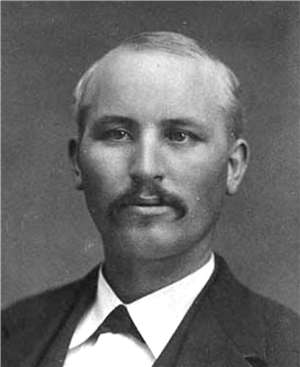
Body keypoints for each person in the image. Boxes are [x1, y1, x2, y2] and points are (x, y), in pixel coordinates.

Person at [1, 32, 299, 367]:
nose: (145, 168)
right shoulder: (12, 333)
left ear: (233, 167)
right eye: (117, 134)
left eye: (179, 136)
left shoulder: (287, 351)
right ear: (77, 163)